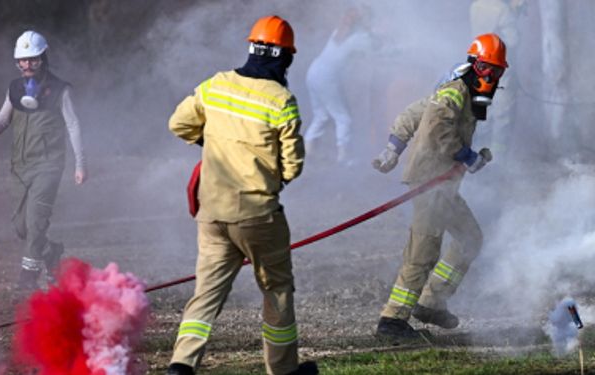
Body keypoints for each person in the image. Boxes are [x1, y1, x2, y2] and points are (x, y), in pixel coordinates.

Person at [166, 15, 317, 375]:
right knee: (276, 290)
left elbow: (178, 124)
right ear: (285, 57)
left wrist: (213, 142)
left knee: (206, 294)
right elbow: (293, 166)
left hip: (212, 215)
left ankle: (181, 365)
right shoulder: (282, 100)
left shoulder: (216, 85)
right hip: (259, 216)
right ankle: (283, 370)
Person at [372, 34, 509, 338]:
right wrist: (466, 155)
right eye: (488, 69)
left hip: (444, 184)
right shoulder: (454, 91)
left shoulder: (459, 90)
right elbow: (437, 127)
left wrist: (393, 148)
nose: (492, 78)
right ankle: (392, 320)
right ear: (476, 64)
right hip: (430, 181)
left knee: (470, 238)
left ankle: (432, 301)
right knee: (423, 249)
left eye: (498, 72)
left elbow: (414, 114)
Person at [0, 30, 87, 291]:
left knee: (35, 222)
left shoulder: (60, 90)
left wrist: (79, 164)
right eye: (22, 60)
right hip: (20, 168)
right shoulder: (14, 89)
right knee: (21, 226)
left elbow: (73, 125)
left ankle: (27, 279)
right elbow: (2, 120)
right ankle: (50, 252)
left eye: (32, 59)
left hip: (49, 165)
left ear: (43, 58)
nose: (27, 65)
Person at [304, 7, 375, 165]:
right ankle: (343, 157)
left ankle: (309, 150)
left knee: (321, 115)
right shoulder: (359, 38)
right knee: (343, 118)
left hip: (313, 71)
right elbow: (376, 50)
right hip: (326, 76)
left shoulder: (339, 32)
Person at [469, 0, 523, 156]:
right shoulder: (502, 10)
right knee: (502, 114)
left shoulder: (476, 5)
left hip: (480, 66)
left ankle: (477, 153)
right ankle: (498, 158)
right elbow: (513, 40)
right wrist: (514, 13)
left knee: (484, 109)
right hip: (498, 67)